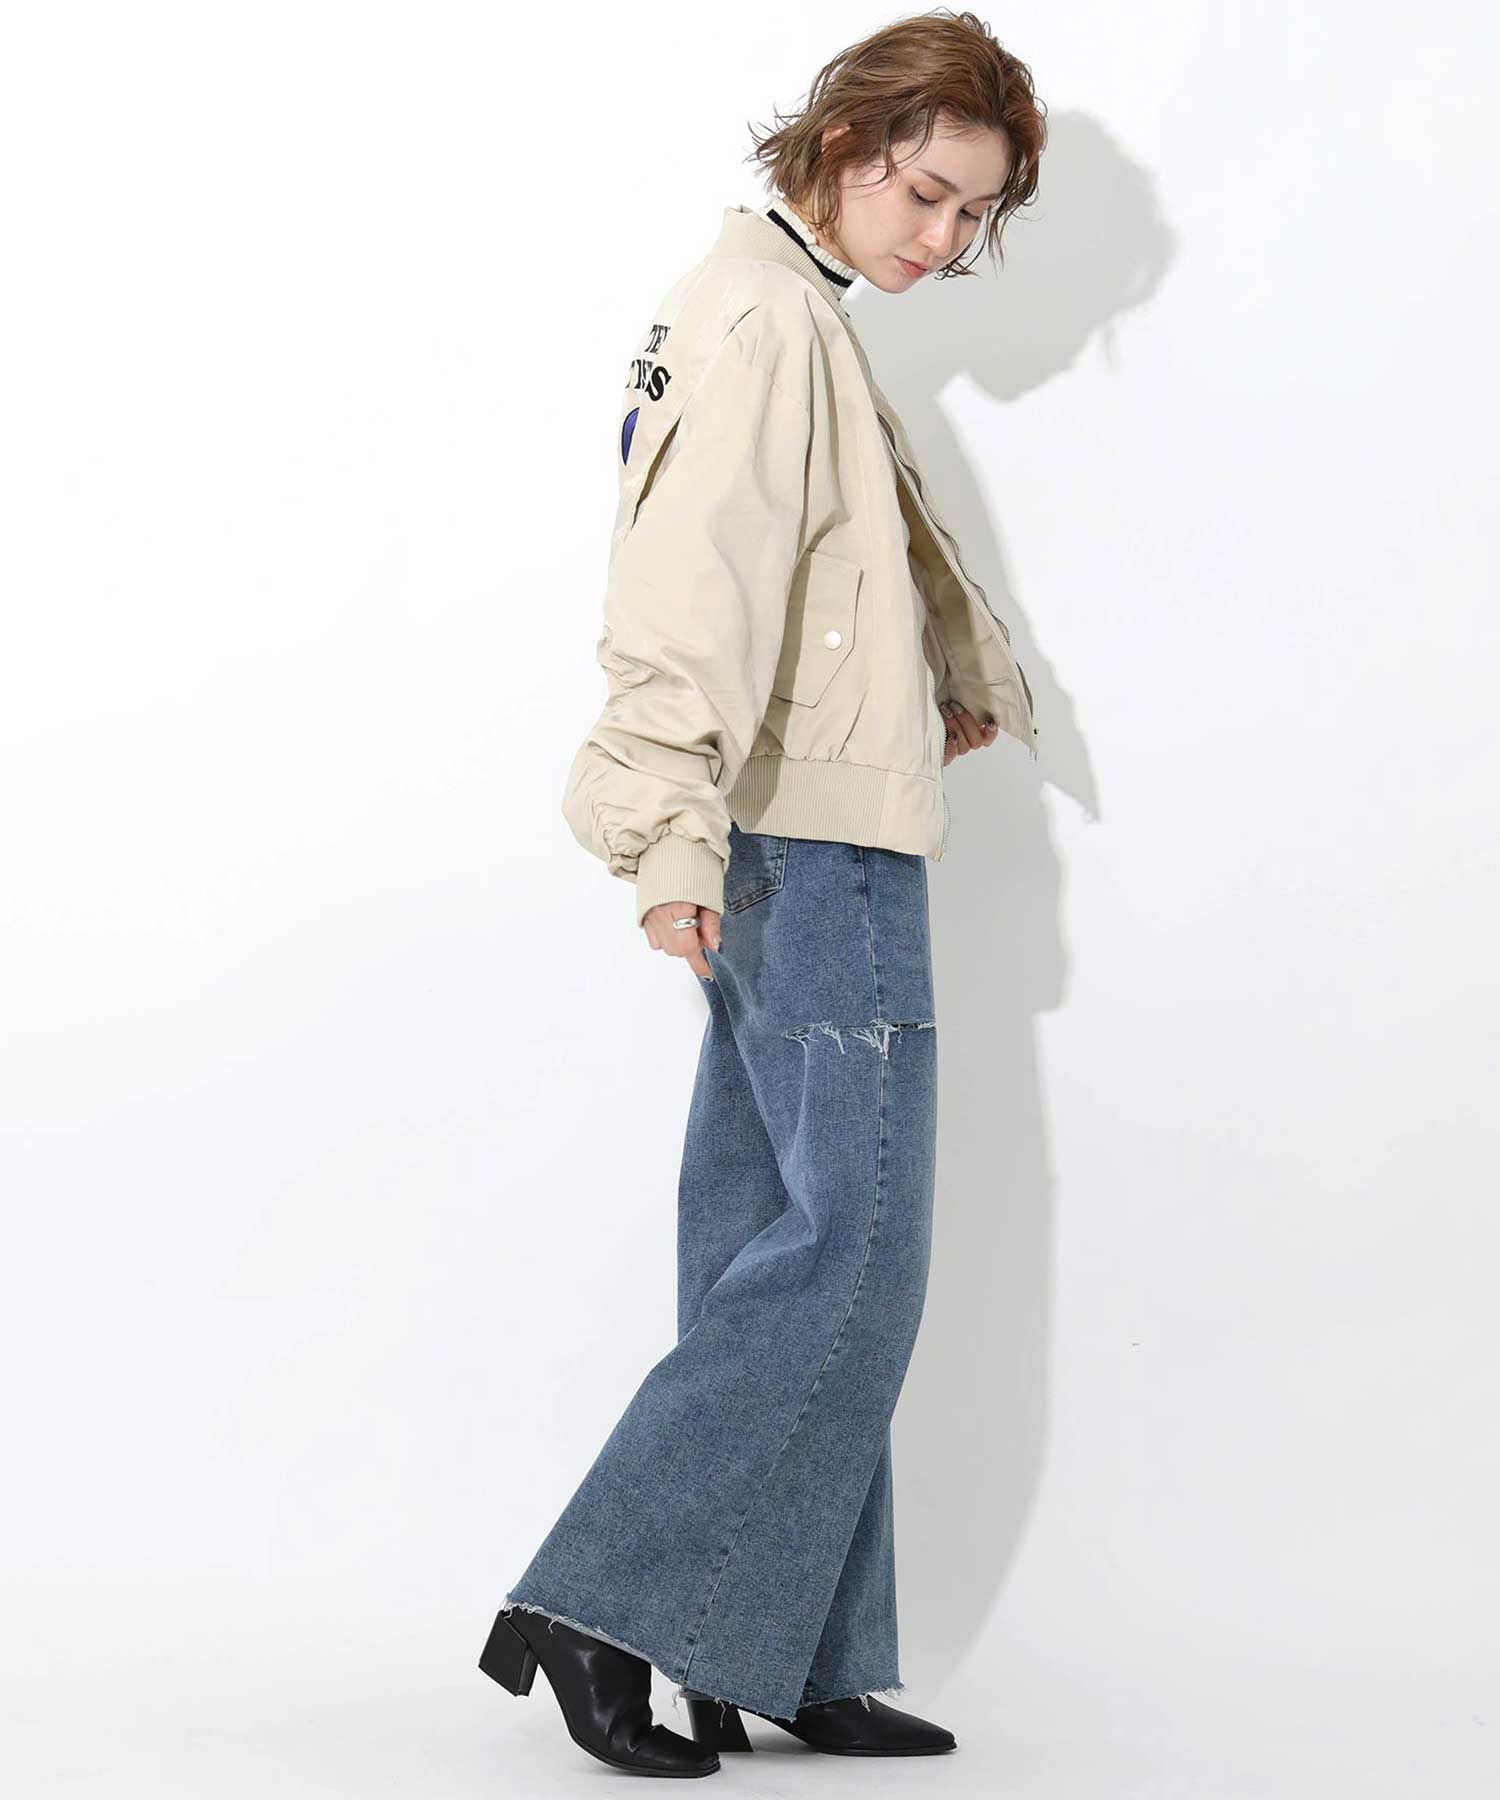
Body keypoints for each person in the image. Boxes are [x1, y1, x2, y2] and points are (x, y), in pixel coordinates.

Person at [477, 10, 1046, 1778]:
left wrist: (927, 690)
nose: (943, 237)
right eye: (928, 192)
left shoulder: (779, 304)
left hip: (801, 824)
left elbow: (807, 583)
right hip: (812, 851)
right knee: (852, 1259)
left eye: (974, 214)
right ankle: (599, 1601)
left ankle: (778, 1647)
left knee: (766, 1245)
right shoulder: (763, 321)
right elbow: (684, 598)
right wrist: (664, 835)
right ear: (847, 143)